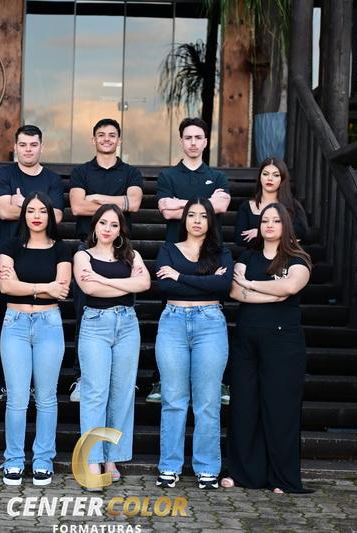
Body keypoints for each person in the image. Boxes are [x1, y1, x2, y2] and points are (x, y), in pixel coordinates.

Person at [222, 202, 313, 494]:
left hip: (284, 343)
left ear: (286, 225)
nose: (269, 225)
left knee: (280, 410)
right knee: (244, 406)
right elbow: (235, 291)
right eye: (265, 221)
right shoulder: (247, 256)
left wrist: (251, 284)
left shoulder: (297, 259)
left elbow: (289, 288)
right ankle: (244, 474)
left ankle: (282, 478)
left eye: (276, 220)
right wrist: (269, 291)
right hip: (246, 340)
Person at [150, 117, 231, 404]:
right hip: (176, 250)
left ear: (206, 142)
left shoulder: (217, 177)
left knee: (213, 304)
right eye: (188, 137)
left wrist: (180, 204)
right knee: (170, 309)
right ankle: (162, 379)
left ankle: (217, 381)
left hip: (209, 249)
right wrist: (205, 203)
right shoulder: (168, 176)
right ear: (181, 141)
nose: (193, 142)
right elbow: (166, 211)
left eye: (198, 137)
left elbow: (222, 205)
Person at [154, 198, 232, 490]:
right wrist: (204, 280)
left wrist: (180, 276)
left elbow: (223, 287)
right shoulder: (168, 250)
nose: (197, 221)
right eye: (192, 215)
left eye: (203, 216)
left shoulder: (221, 252)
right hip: (172, 322)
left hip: (210, 324)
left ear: (211, 221)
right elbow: (164, 286)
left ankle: (207, 467)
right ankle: (169, 466)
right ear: (184, 219)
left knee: (208, 401)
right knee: (173, 399)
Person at [0, 192, 72, 486]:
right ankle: (13, 460)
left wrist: (25, 285)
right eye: (31, 210)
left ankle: (43, 460)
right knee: (17, 398)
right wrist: (44, 287)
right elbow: (6, 286)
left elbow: (61, 289)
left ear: (50, 216)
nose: (37, 216)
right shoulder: (11, 245)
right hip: (14, 324)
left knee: (46, 397)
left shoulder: (61, 249)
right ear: (24, 215)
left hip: (48, 324)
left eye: (42, 211)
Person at [0, 125, 65, 401]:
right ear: (15, 147)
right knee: (6, 320)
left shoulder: (52, 179)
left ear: (41, 147)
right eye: (23, 144)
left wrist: (20, 203)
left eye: (33, 144)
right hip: (10, 254)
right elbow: (2, 210)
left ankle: (35, 385)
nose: (28, 149)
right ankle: (1, 381)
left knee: (42, 321)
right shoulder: (5, 174)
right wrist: (36, 208)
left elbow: (57, 217)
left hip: (44, 257)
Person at [68, 118, 144, 402]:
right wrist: (117, 201)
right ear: (93, 140)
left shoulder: (131, 172)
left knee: (124, 305)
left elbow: (134, 203)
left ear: (119, 140)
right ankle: (82, 377)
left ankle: (122, 379)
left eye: (112, 135)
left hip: (121, 249)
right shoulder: (81, 171)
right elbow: (77, 206)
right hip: (87, 247)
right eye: (101, 135)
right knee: (84, 312)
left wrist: (98, 198)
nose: (107, 139)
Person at [74, 204, 150, 485]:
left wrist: (103, 278)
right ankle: (92, 462)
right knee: (95, 393)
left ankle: (112, 458)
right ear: (94, 226)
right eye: (103, 223)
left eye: (114, 224)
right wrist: (125, 282)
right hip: (96, 324)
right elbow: (90, 289)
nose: (108, 229)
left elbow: (144, 284)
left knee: (122, 394)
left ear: (121, 230)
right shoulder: (82, 255)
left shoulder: (132, 254)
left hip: (127, 324)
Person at [234, 158, 306, 247]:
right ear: (260, 177)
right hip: (256, 254)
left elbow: (301, 234)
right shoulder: (246, 206)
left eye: (276, 175)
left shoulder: (293, 205)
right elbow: (240, 239)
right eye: (265, 174)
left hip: (285, 254)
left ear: (282, 179)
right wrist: (283, 237)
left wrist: (260, 233)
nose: (270, 178)